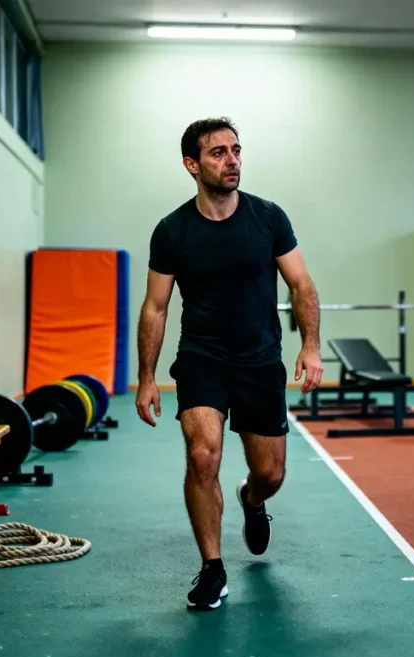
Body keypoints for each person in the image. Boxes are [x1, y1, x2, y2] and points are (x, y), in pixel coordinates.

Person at [135, 117, 324, 610]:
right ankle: (212, 568)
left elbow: (301, 284)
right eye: (218, 152)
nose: (232, 159)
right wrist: (147, 378)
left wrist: (310, 346)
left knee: (271, 473)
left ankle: (252, 500)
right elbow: (156, 306)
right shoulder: (172, 230)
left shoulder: (268, 218)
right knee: (203, 456)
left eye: (236, 149)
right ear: (192, 165)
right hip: (202, 358)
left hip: (260, 360)